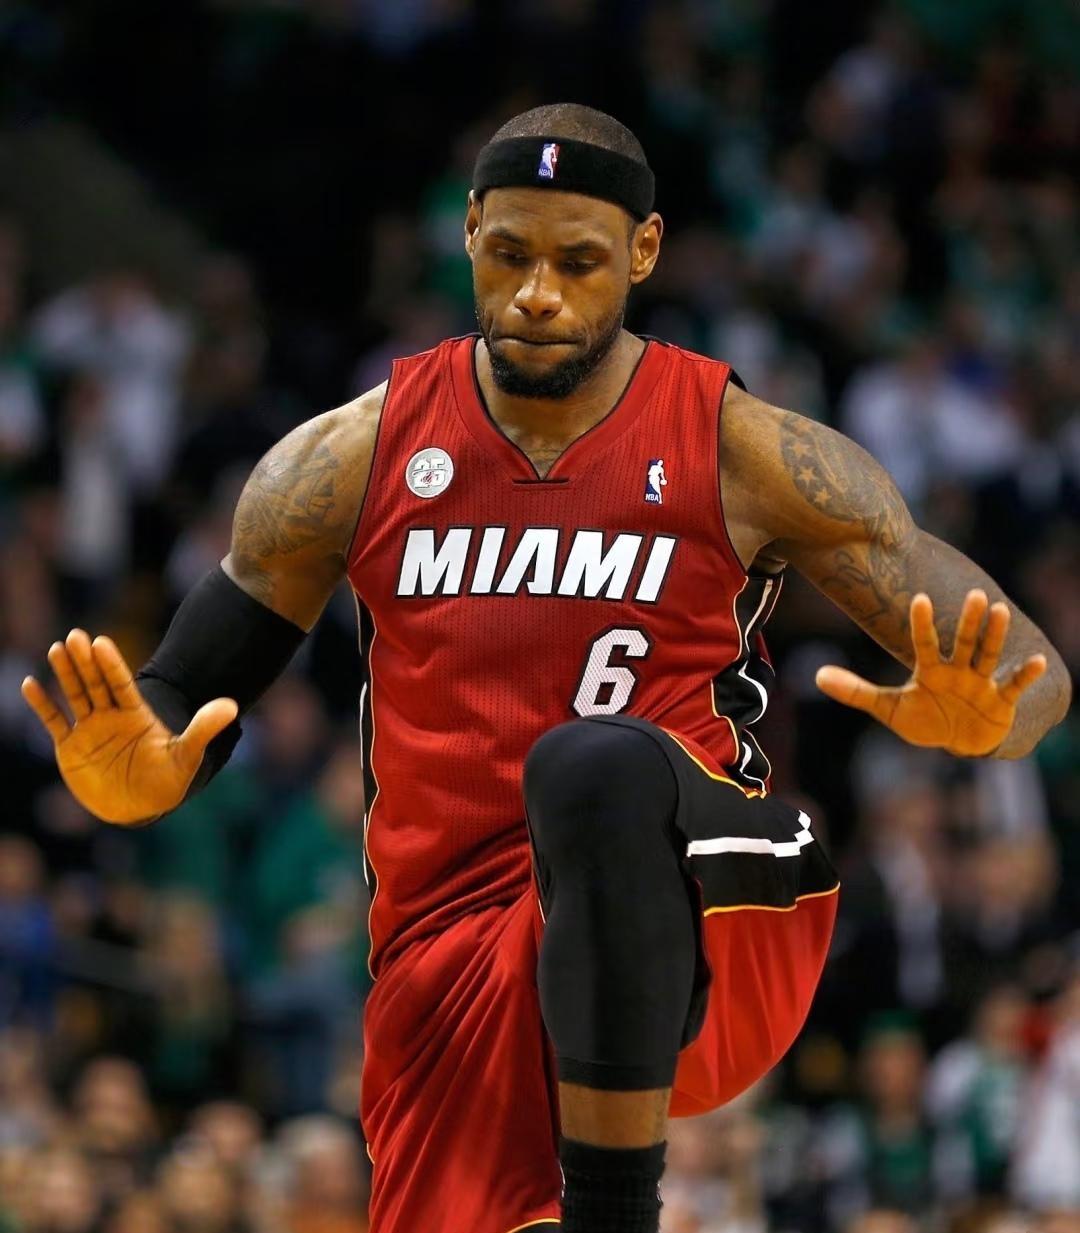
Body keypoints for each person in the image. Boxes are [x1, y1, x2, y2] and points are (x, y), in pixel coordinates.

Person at [21, 104, 1070, 1233]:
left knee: (593, 767)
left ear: (644, 252)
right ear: (470, 230)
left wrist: (991, 721)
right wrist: (137, 776)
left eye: (578, 262)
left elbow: (1033, 674)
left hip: (711, 910)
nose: (537, 293)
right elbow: (179, 697)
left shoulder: (742, 448)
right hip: (455, 964)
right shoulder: (351, 457)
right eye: (512, 253)